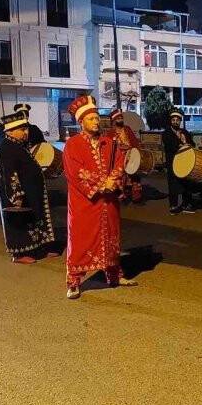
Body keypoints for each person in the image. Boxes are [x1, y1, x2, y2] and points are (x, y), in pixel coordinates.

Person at [62, 95, 136, 299]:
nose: (96, 122)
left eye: (97, 118)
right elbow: (76, 173)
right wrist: (103, 184)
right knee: (81, 240)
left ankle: (114, 275)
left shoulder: (108, 143)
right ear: (81, 122)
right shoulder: (72, 145)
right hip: (85, 203)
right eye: (91, 119)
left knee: (111, 238)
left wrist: (114, 180)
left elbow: (119, 163)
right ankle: (74, 281)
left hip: (108, 202)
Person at [0, 110, 57, 264]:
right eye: (22, 129)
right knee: (19, 222)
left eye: (26, 129)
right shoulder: (6, 148)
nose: (26, 132)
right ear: (10, 131)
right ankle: (19, 254)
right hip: (18, 193)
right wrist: (17, 196)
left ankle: (38, 249)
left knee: (34, 219)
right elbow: (9, 174)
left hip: (30, 191)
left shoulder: (18, 145)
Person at [161, 109, 197, 214]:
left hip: (185, 162)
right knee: (173, 184)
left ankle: (186, 204)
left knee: (186, 182)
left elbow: (192, 144)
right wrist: (180, 145)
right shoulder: (166, 133)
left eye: (177, 120)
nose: (176, 122)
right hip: (173, 162)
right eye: (173, 120)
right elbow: (170, 145)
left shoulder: (184, 132)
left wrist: (188, 143)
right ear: (170, 121)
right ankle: (173, 206)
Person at [111, 108, 144, 205]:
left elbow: (134, 142)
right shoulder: (110, 133)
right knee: (119, 179)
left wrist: (137, 151)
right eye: (118, 118)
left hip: (130, 158)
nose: (120, 119)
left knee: (134, 177)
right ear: (114, 120)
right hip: (118, 160)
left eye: (121, 117)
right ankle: (121, 196)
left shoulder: (127, 129)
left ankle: (136, 196)